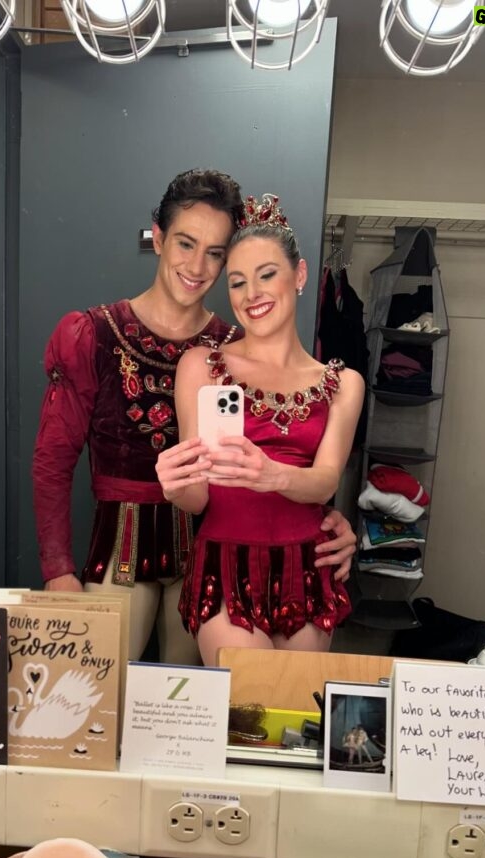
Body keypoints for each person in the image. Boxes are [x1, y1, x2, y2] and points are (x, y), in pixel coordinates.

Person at [33, 171, 357, 663]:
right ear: (159, 238)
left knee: (192, 715)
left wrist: (327, 518)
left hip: (212, 551)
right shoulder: (96, 334)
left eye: (216, 253)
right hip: (123, 543)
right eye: (186, 243)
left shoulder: (243, 343)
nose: (198, 265)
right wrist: (58, 567)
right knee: (100, 692)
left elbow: (291, 448)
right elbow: (53, 461)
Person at [156, 193, 365, 667]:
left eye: (267, 274)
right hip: (225, 562)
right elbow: (200, 498)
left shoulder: (343, 384)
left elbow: (327, 479)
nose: (252, 294)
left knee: (291, 718)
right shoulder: (201, 365)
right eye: (237, 282)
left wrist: (274, 475)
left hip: (309, 564)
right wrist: (176, 487)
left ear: (301, 275)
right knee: (244, 710)